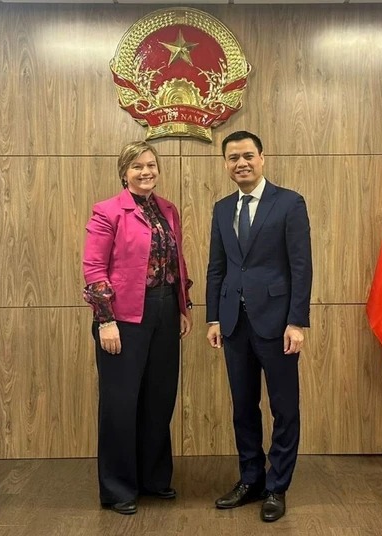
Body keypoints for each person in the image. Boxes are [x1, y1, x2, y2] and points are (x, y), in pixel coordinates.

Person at [205, 131, 312, 522]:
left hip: (278, 323)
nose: (241, 163)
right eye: (233, 158)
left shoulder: (289, 203)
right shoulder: (221, 209)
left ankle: (276, 486)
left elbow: (301, 266)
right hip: (234, 323)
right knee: (243, 407)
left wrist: (297, 321)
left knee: (284, 408)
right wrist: (214, 317)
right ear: (226, 164)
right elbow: (217, 267)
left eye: (248, 155)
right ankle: (250, 479)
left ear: (262, 158)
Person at [82, 140, 193, 515]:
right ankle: (118, 489)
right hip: (123, 317)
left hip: (164, 310)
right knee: (120, 403)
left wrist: (181, 306)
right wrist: (105, 319)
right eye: (137, 166)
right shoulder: (107, 212)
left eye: (151, 165)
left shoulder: (168, 209)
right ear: (124, 173)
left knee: (159, 398)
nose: (146, 172)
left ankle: (153, 479)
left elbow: (176, 262)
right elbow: (94, 268)